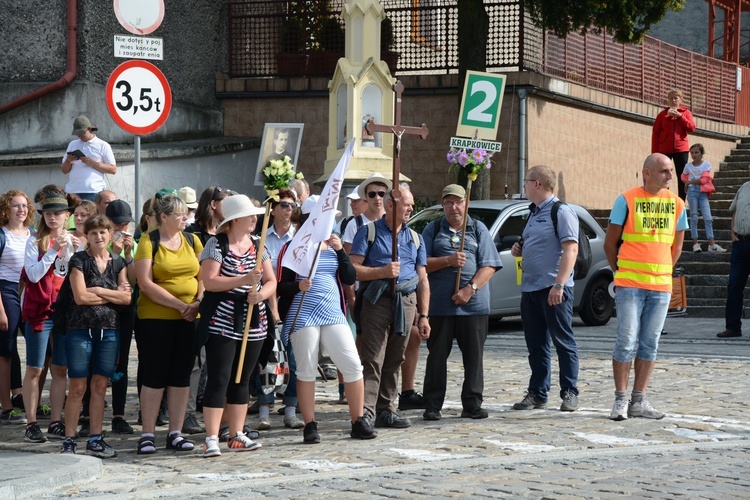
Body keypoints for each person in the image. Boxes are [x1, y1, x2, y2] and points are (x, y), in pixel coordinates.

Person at [277, 198, 376, 444]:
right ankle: (310, 424)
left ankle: (358, 420)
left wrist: (341, 250)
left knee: (352, 364)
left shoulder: (334, 245)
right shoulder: (293, 246)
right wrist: (299, 284)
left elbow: (350, 276)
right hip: (304, 313)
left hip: (332, 311)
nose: (330, 223)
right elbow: (281, 286)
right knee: (307, 369)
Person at [603, 153, 687, 420]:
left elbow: (677, 246)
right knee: (626, 342)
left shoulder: (677, 204)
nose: (670, 176)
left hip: (661, 286)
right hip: (629, 284)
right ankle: (620, 400)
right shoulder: (626, 199)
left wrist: (663, 271)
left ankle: (638, 400)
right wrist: (620, 272)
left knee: (650, 343)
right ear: (647, 173)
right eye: (664, 171)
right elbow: (610, 243)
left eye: (671, 171)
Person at [349, 186, 430, 429]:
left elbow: (423, 279)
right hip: (376, 301)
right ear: (391, 205)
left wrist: (424, 315)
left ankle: (387, 409)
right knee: (373, 358)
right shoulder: (368, 232)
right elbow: (353, 269)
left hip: (406, 303)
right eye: (407, 204)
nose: (411, 209)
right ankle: (366, 412)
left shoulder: (415, 238)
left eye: (411, 204)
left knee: (396, 357)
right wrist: (382, 272)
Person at [199, 195, 273, 457]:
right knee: (220, 378)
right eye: (250, 215)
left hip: (254, 320)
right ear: (235, 220)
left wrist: (260, 295)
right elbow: (209, 281)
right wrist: (243, 279)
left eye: (255, 214)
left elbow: (271, 281)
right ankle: (211, 436)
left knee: (243, 378)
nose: (255, 218)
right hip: (223, 320)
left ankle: (237, 433)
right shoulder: (216, 244)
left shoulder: (258, 244)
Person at [421, 184, 502, 420]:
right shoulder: (433, 229)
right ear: (442, 205)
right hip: (440, 306)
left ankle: (472, 403)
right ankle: (433, 404)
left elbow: (489, 265)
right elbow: (421, 263)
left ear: (466, 203)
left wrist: (470, 289)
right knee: (436, 356)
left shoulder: (478, 229)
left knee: (474, 357)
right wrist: (447, 260)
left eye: (458, 202)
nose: (453, 207)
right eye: (448, 203)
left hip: (473, 307)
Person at [133, 194, 204, 454]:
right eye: (180, 214)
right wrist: (179, 305)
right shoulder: (147, 241)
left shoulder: (192, 239)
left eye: (186, 213)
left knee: (181, 375)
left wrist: (197, 302)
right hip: (156, 319)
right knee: (155, 375)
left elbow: (202, 274)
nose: (185, 218)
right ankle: (148, 433)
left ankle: (176, 431)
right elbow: (145, 283)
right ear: (164, 217)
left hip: (189, 318)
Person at [510, 166, 580, 412]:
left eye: (526, 181)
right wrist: (520, 248)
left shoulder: (561, 211)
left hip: (554, 288)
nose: (524, 185)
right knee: (536, 344)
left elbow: (571, 249)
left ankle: (569, 392)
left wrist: (559, 284)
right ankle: (538, 392)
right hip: (530, 289)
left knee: (563, 342)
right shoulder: (533, 212)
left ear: (537, 184)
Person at [60, 215, 132, 457]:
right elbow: (80, 297)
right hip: (80, 330)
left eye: (103, 232)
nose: (99, 237)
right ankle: (69, 439)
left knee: (100, 386)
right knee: (79, 386)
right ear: (87, 236)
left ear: (110, 234)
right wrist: (113, 294)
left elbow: (127, 298)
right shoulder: (78, 261)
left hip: (109, 331)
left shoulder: (118, 263)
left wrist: (100, 290)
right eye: (93, 233)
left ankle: (95, 439)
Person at [21, 191, 78, 443]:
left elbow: (74, 275)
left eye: (58, 213)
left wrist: (71, 251)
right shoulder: (34, 241)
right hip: (40, 310)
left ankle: (56, 420)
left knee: (61, 368)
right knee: (35, 367)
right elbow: (32, 275)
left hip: (64, 310)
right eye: (48, 213)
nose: (53, 218)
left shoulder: (75, 242)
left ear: (67, 216)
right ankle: (31, 423)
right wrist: (54, 251)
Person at [251, 189, 302, 430]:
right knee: (268, 359)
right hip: (265, 305)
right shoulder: (261, 238)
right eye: (283, 204)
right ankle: (264, 409)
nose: (288, 208)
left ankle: (290, 409)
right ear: (273, 209)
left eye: (292, 205)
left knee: (292, 360)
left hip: (292, 305)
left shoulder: (299, 239)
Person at [0, 190, 34, 425]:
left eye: (24, 206)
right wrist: (0, 309)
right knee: (6, 350)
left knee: (32, 344)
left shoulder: (32, 234)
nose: (21, 209)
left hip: (28, 291)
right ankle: (7, 406)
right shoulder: (2, 235)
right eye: (15, 206)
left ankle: (21, 395)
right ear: (5, 209)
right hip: (6, 291)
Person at [105, 199, 137, 434]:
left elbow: (134, 281)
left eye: (125, 225)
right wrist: (113, 253)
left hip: (125, 311)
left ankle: (118, 414)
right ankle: (87, 414)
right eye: (118, 226)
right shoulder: (99, 242)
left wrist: (127, 255)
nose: (122, 230)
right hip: (102, 311)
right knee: (96, 364)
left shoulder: (133, 244)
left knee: (121, 363)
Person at [716, 165, 750, 338]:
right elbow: (735, 211)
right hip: (740, 243)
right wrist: (732, 232)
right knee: (734, 286)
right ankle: (733, 327)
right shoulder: (744, 187)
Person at [651, 89, 696, 201]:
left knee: (681, 175)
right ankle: (665, 198)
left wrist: (680, 117)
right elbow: (656, 133)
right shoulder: (662, 115)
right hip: (664, 148)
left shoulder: (686, 113)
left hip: (681, 149)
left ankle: (681, 200)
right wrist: (655, 152)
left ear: (680, 100)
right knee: (663, 174)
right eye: (671, 98)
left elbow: (691, 128)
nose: (673, 100)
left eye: (676, 98)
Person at [681, 144, 725, 253]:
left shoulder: (706, 165)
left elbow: (704, 180)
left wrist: (689, 182)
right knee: (694, 216)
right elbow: (683, 176)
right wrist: (687, 183)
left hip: (702, 192)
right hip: (692, 191)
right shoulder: (688, 166)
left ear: (701, 153)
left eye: (696, 152)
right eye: (692, 153)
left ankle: (712, 244)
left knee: (708, 217)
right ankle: (695, 243)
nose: (694, 155)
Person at [61, 116, 117, 201]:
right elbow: (64, 170)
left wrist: (92, 163)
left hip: (93, 191)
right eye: (78, 134)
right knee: (72, 214)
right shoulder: (72, 144)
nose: (80, 136)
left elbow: (113, 169)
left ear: (90, 129)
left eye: (82, 133)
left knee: (91, 214)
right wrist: (68, 161)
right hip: (72, 190)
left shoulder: (103, 145)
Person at [342, 173, 391, 253]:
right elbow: (349, 260)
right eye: (372, 194)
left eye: (381, 194)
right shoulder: (354, 224)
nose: (377, 198)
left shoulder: (394, 223)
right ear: (365, 196)